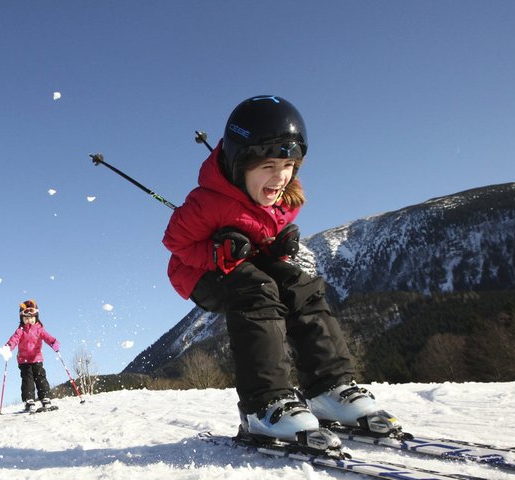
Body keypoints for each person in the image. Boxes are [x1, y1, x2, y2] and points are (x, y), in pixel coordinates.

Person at [162, 95, 397, 454]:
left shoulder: (283, 199)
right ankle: (263, 404)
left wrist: (275, 248)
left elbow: (264, 245)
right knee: (256, 288)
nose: (280, 176)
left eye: (289, 164)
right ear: (240, 164)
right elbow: (175, 243)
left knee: (299, 285)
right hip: (197, 272)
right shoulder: (206, 202)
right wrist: (215, 252)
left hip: (246, 265)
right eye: (269, 165)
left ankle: (328, 389)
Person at [0, 299, 61, 413]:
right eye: (26, 318)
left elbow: (48, 337)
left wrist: (53, 343)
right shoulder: (20, 331)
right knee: (28, 380)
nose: (29, 320)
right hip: (24, 361)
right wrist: (8, 347)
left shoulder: (39, 329)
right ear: (22, 319)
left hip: (37, 359)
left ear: (36, 317)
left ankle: (45, 398)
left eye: (32, 318)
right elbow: (14, 340)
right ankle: (29, 400)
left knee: (40, 377)